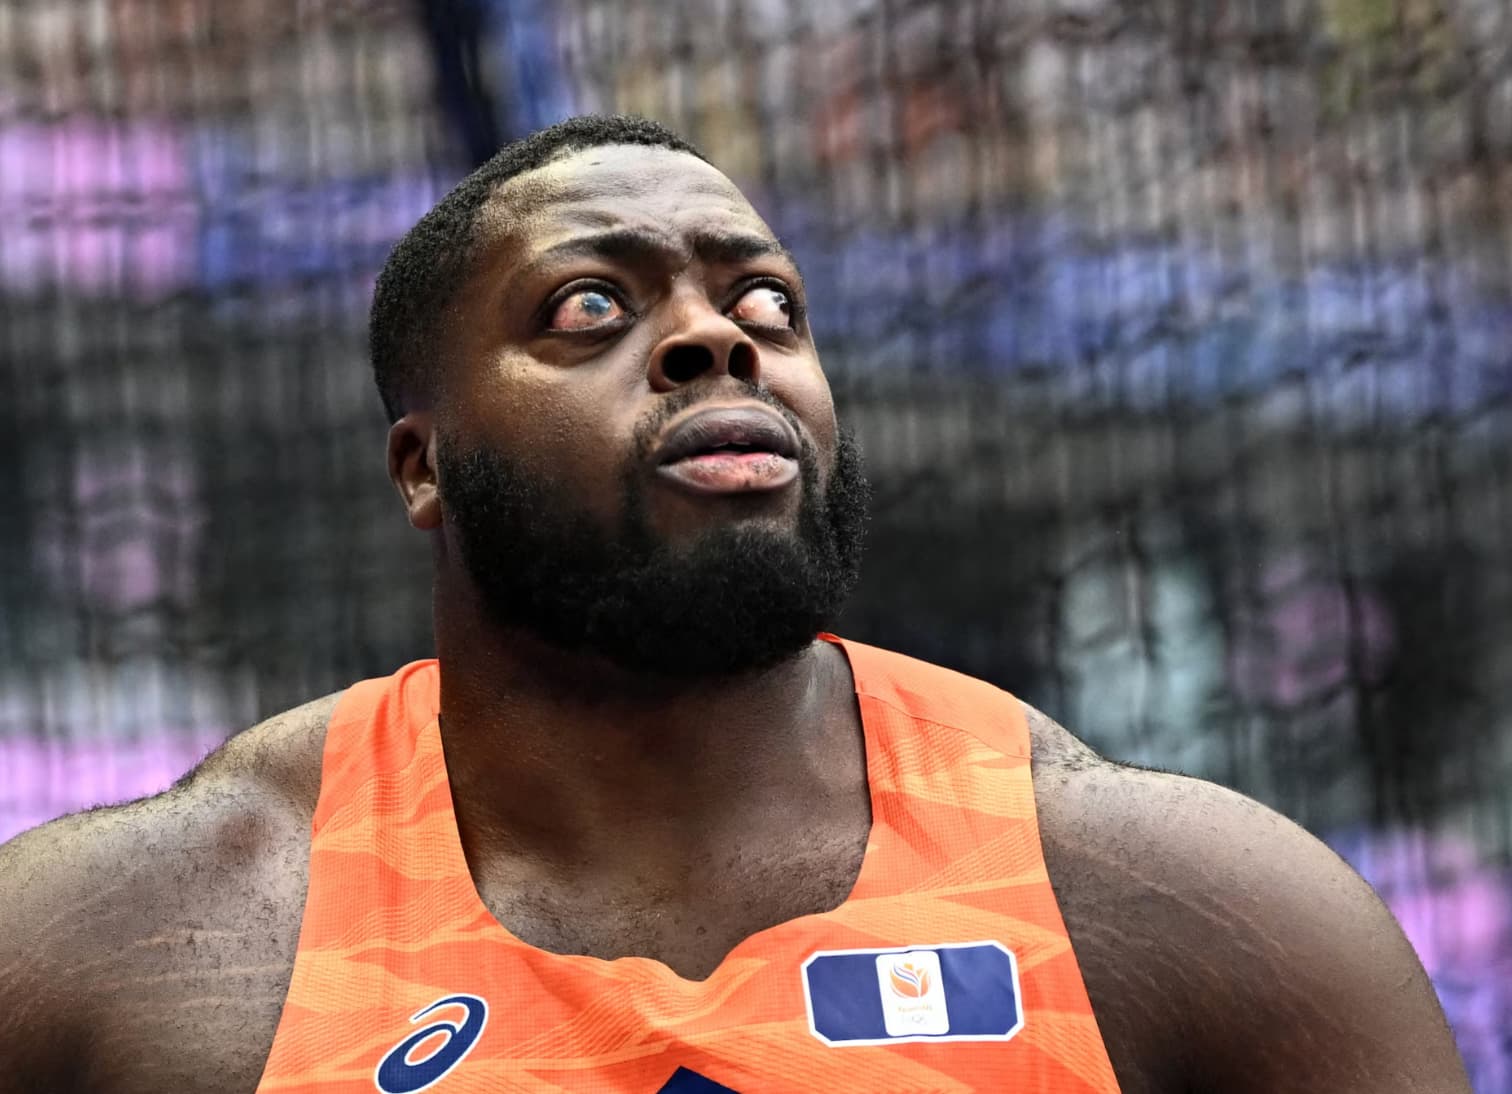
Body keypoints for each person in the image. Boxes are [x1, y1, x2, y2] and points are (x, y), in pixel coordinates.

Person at [0, 115, 1471, 1094]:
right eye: (592, 305)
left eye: (767, 304)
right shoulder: (138, 946)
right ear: (420, 465)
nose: (716, 339)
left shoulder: (1198, 917)